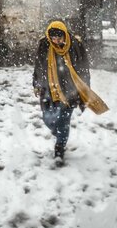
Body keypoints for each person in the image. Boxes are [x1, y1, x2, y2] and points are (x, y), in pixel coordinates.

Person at [32, 20, 109, 165]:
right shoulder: (44, 44)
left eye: (59, 37)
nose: (56, 41)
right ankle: (57, 133)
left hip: (70, 91)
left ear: (64, 35)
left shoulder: (74, 44)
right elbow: (39, 65)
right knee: (48, 118)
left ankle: (59, 149)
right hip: (49, 89)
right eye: (53, 38)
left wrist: (84, 89)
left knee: (63, 120)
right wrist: (36, 83)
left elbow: (83, 67)